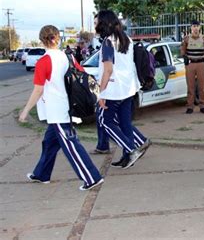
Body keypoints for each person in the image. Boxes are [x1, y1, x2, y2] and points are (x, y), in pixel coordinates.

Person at [19, 25, 104, 191]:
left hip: (56, 109)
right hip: (65, 106)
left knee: (71, 145)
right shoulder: (67, 56)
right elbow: (84, 76)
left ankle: (92, 177)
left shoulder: (44, 61)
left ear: (42, 40)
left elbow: (38, 89)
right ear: (58, 38)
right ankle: (42, 174)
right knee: (49, 143)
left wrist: (25, 111)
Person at [95, 10, 150, 169]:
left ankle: (131, 150)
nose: (95, 25)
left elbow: (108, 70)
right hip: (128, 88)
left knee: (105, 121)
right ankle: (128, 157)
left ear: (104, 23)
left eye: (96, 22)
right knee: (125, 123)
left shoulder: (108, 42)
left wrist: (101, 93)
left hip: (113, 90)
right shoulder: (126, 39)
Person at [180, 20, 204, 114]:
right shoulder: (186, 39)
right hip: (190, 64)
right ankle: (190, 106)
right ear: (191, 27)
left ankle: (203, 105)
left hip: (200, 63)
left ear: (199, 27)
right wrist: (184, 57)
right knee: (190, 86)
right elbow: (182, 50)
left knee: (202, 85)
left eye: (197, 26)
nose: (195, 28)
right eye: (193, 26)